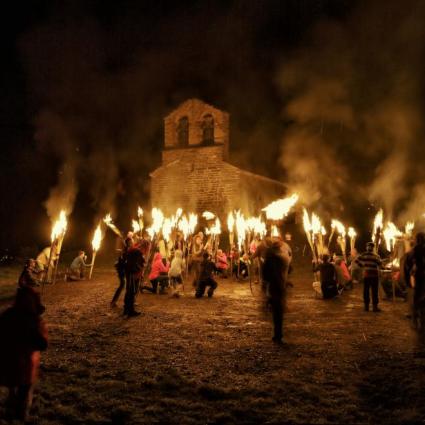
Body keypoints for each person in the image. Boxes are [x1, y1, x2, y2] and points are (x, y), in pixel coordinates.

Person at [0, 286, 48, 422]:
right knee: (24, 391)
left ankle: (12, 404)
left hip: (7, 363)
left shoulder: (7, 315)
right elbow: (42, 344)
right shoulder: (33, 321)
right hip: (24, 366)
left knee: (13, 385)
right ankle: (20, 414)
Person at [261, 240, 289, 344]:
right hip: (277, 286)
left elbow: (265, 275)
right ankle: (278, 335)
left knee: (277, 312)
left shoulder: (269, 259)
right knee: (278, 312)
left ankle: (277, 334)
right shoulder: (279, 259)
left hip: (274, 287)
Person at [355, 242, 382, 312]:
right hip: (373, 275)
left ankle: (367, 307)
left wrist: (362, 265)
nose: (369, 247)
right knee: (374, 291)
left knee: (367, 291)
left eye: (369, 246)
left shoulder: (363, 255)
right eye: (369, 246)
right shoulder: (376, 256)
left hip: (367, 275)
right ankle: (374, 307)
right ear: (373, 248)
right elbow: (380, 264)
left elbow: (356, 261)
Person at [124, 239, 144, 317]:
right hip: (131, 272)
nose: (133, 242)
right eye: (132, 241)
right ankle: (130, 311)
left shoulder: (129, 250)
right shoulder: (132, 250)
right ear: (129, 243)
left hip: (128, 271)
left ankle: (126, 309)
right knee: (131, 291)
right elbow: (139, 254)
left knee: (129, 291)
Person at [111, 238, 131, 307]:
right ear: (128, 242)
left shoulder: (126, 249)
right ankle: (113, 301)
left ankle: (114, 301)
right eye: (130, 242)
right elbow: (123, 260)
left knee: (123, 285)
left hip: (122, 269)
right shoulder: (125, 250)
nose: (132, 243)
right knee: (122, 284)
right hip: (121, 269)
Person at [411, 232, 425, 329]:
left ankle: (416, 317)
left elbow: (414, 261)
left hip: (420, 274)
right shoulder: (418, 248)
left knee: (418, 295)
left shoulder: (417, 248)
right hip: (421, 273)